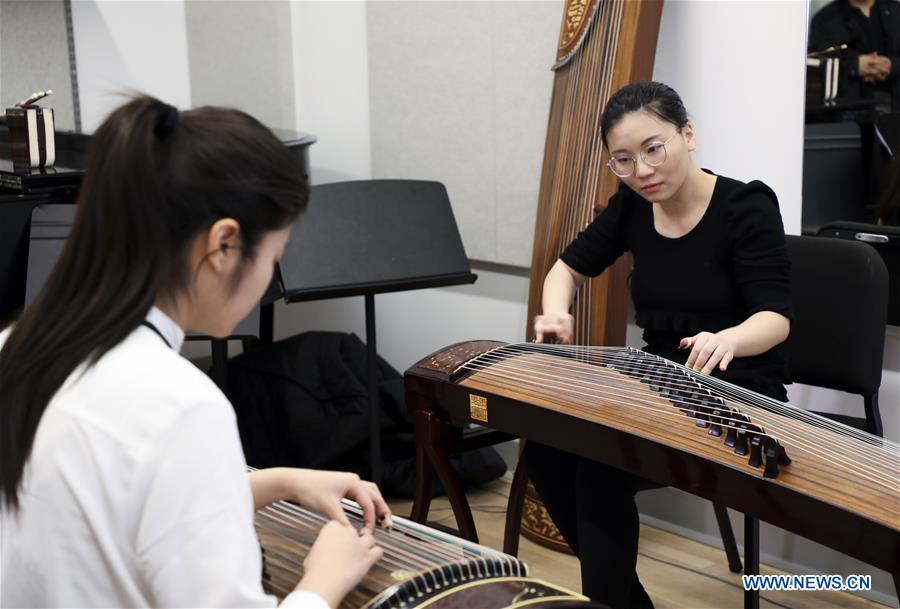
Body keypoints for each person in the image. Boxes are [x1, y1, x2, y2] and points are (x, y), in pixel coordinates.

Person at [0, 96, 391, 609]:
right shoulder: (182, 406)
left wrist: (279, 481)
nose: (271, 279)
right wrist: (322, 581)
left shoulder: (18, 345)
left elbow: (105, 512)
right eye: (275, 257)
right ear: (224, 244)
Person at [528, 81, 792, 609]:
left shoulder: (746, 206)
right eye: (623, 160)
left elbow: (776, 318)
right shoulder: (631, 206)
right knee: (546, 447)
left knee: (603, 461)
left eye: (653, 149)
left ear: (687, 134)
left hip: (736, 387)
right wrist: (556, 311)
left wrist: (730, 338)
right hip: (657, 379)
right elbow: (567, 268)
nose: (642, 171)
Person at [808, 0, 900, 111]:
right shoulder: (824, 19)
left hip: (895, 109)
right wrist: (855, 66)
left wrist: (891, 65)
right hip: (846, 115)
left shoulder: (895, 11)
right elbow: (818, 67)